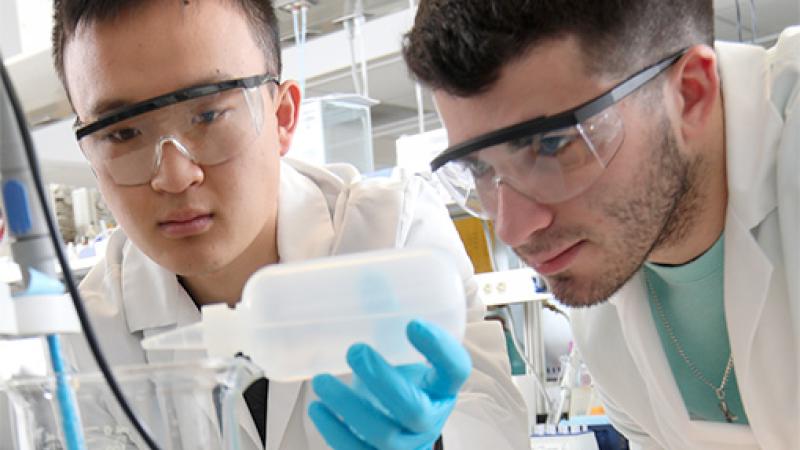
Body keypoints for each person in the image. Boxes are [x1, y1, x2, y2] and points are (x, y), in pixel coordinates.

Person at [50, 0, 530, 449]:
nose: (175, 176)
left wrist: (438, 441)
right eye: (123, 133)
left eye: (209, 113)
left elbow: (497, 423)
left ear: (282, 117)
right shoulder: (86, 337)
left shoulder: (394, 235)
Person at [403, 1, 799, 449]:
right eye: (477, 167)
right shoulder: (603, 313)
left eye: (551, 145)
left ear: (690, 93)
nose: (512, 229)